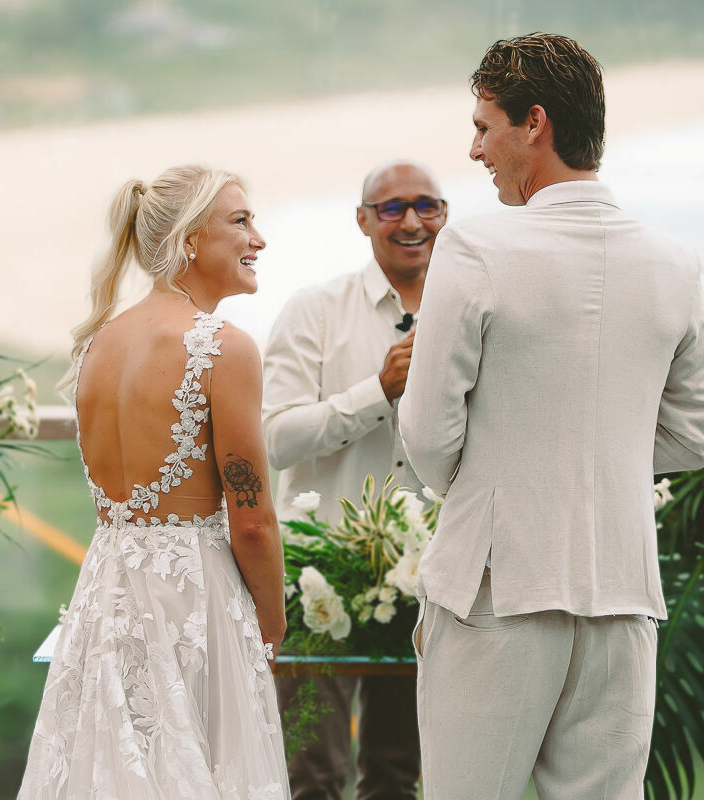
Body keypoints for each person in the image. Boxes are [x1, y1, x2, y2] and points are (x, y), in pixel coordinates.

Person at [398, 34, 704, 800]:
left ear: (533, 123)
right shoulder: (674, 262)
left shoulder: (475, 247)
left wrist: (502, 479)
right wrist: (594, 461)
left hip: (494, 590)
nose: (475, 150)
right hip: (621, 597)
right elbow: (690, 437)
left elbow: (426, 438)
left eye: (484, 127)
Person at [17, 165, 290, 799]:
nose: (260, 239)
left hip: (107, 591)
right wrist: (271, 625)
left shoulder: (96, 347)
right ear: (191, 238)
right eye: (241, 221)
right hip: (194, 601)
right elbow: (252, 518)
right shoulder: (224, 347)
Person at [263, 160, 446, 800]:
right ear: (363, 220)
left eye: (427, 205)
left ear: (445, 217)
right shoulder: (315, 310)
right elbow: (276, 439)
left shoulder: (469, 314)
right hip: (320, 580)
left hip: (426, 584)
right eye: (392, 207)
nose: (412, 220)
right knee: (311, 776)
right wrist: (378, 392)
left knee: (399, 779)